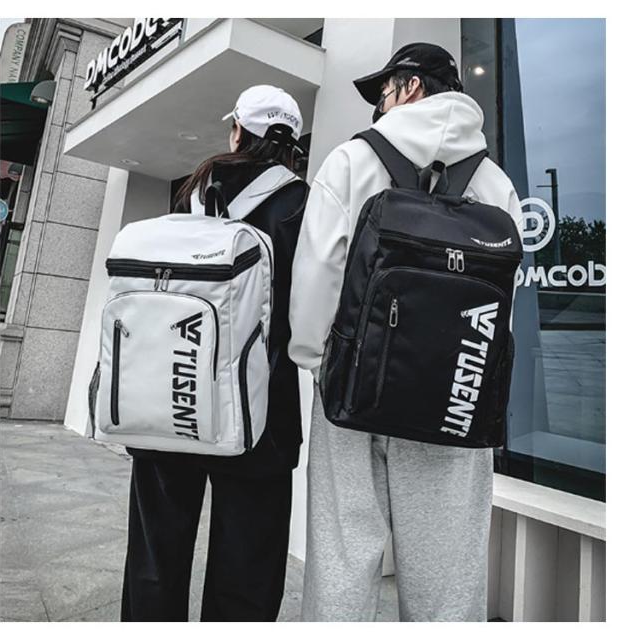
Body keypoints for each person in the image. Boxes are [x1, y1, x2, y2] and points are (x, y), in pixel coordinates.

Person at [288, 43, 524, 622]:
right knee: (448, 570)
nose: (379, 107)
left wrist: (316, 359)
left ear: (411, 86)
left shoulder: (352, 161)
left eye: (385, 92)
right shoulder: (497, 183)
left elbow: (317, 273)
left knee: (343, 555)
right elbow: (504, 302)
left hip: (353, 389)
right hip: (453, 395)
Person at [121, 85, 309, 622]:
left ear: (238, 133)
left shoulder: (193, 193)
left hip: (171, 394)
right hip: (260, 409)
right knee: (249, 564)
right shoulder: (304, 203)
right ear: (290, 142)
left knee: (156, 554)